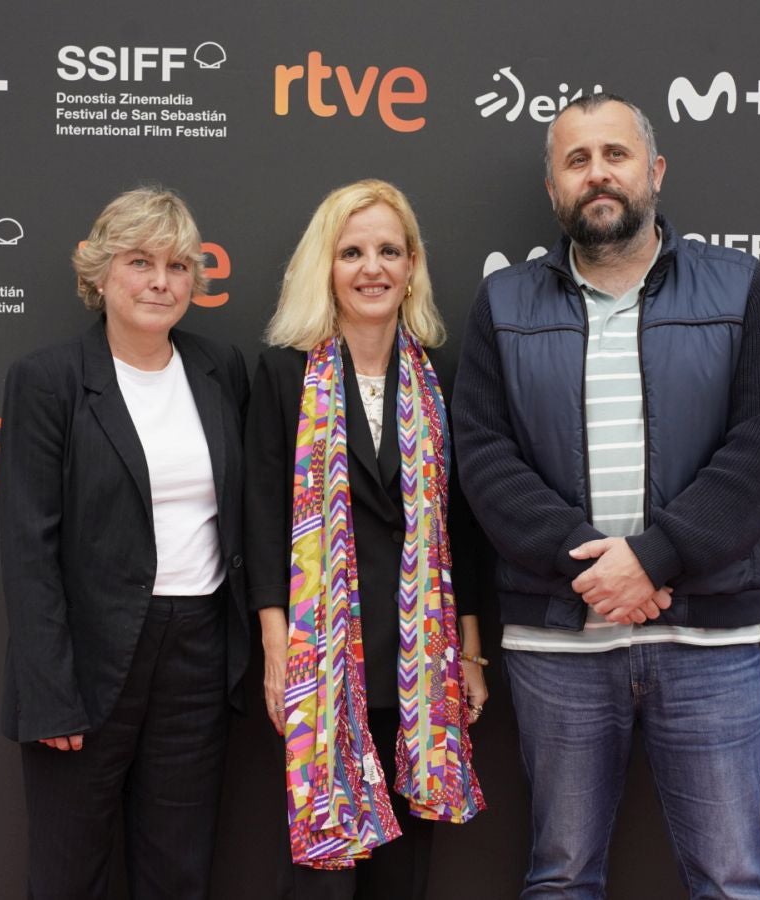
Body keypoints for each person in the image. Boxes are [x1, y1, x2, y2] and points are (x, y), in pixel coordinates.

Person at [453, 94, 760, 899]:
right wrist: (592, 569)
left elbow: (757, 448)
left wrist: (650, 559)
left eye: (614, 154)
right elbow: (484, 456)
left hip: (708, 639)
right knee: (561, 875)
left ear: (654, 171)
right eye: (576, 161)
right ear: (552, 189)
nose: (597, 174)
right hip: (557, 645)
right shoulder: (503, 305)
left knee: (731, 878)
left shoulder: (738, 286)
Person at [0, 187, 249, 899]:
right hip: (87, 660)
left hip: (198, 651)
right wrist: (50, 695)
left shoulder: (218, 370)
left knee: (179, 869)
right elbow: (28, 549)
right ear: (100, 273)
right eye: (140, 261)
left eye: (176, 265)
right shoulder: (48, 382)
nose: (160, 281)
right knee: (69, 871)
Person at [244, 179, 487, 899]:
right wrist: (275, 649)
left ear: (411, 265)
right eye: (352, 252)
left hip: (420, 665)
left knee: (402, 880)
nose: (371, 267)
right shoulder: (285, 374)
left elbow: (463, 529)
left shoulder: (441, 380)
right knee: (323, 881)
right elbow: (260, 519)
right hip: (322, 666)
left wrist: (469, 652)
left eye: (388, 249)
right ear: (327, 266)